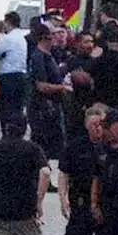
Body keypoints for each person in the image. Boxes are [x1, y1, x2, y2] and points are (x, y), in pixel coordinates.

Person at [59, 103, 108, 235]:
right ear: (86, 126)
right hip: (81, 204)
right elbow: (63, 173)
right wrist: (62, 198)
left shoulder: (111, 146)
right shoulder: (75, 146)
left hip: (105, 205)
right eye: (93, 125)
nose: (97, 128)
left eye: (100, 124)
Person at [27, 23, 68, 166]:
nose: (56, 38)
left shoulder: (50, 55)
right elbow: (41, 85)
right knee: (43, 144)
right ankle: (39, 175)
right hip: (42, 107)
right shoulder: (39, 57)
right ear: (44, 37)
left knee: (52, 145)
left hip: (51, 106)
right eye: (53, 35)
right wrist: (62, 87)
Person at [61, 31, 98, 138]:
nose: (90, 45)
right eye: (86, 42)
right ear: (78, 44)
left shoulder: (96, 62)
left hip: (91, 106)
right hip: (74, 107)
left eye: (91, 42)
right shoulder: (71, 61)